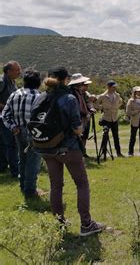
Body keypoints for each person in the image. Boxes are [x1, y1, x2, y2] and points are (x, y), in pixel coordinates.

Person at [36, 67, 103, 236]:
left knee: (55, 186)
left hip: (46, 147)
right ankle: (86, 224)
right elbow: (77, 129)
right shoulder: (68, 98)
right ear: (66, 79)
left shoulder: (41, 97)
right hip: (68, 148)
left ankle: (60, 223)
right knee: (82, 184)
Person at [1, 69, 41, 197]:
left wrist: (12, 126)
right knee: (33, 160)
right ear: (38, 82)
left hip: (18, 131)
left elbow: (4, 114)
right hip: (34, 132)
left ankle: (23, 186)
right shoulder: (40, 96)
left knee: (22, 159)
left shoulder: (14, 94)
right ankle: (30, 189)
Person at [0, 61, 21, 177]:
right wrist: (7, 107)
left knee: (4, 144)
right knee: (12, 144)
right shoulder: (2, 82)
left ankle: (2, 166)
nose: (19, 72)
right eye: (16, 70)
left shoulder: (12, 82)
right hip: (3, 118)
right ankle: (15, 171)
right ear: (8, 71)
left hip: (7, 118)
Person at [96, 80, 124, 157]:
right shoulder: (103, 96)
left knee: (116, 136)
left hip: (114, 118)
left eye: (115, 87)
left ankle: (119, 153)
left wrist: (116, 108)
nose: (115, 88)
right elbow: (96, 104)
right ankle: (103, 152)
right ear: (108, 87)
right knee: (105, 135)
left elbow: (121, 102)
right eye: (113, 87)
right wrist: (102, 108)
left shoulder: (117, 95)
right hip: (106, 118)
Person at [68, 73, 91, 158]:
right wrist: (85, 114)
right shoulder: (72, 93)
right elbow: (76, 109)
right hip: (76, 120)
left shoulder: (78, 92)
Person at [126, 86, 140, 157]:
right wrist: (137, 111)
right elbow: (128, 112)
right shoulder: (131, 101)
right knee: (133, 136)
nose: (139, 93)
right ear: (134, 92)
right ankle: (130, 152)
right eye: (138, 92)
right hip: (135, 120)